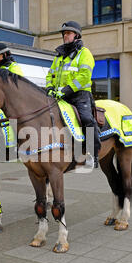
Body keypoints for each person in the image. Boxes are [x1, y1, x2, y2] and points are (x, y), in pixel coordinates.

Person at [46, 21, 101, 168]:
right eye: (64, 34)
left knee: (86, 119)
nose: (65, 36)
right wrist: (50, 87)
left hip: (79, 95)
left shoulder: (85, 53)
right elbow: (50, 74)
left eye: (68, 33)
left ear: (76, 35)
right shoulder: (59, 56)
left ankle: (93, 155)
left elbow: (84, 76)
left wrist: (66, 90)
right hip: (60, 95)